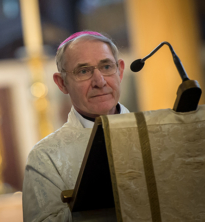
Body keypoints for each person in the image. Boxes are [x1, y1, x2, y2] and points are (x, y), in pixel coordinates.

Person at [22, 31, 130, 222]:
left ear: (120, 71)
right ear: (62, 83)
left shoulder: (156, 134)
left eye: (106, 66)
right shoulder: (45, 157)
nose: (100, 81)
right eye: (83, 71)